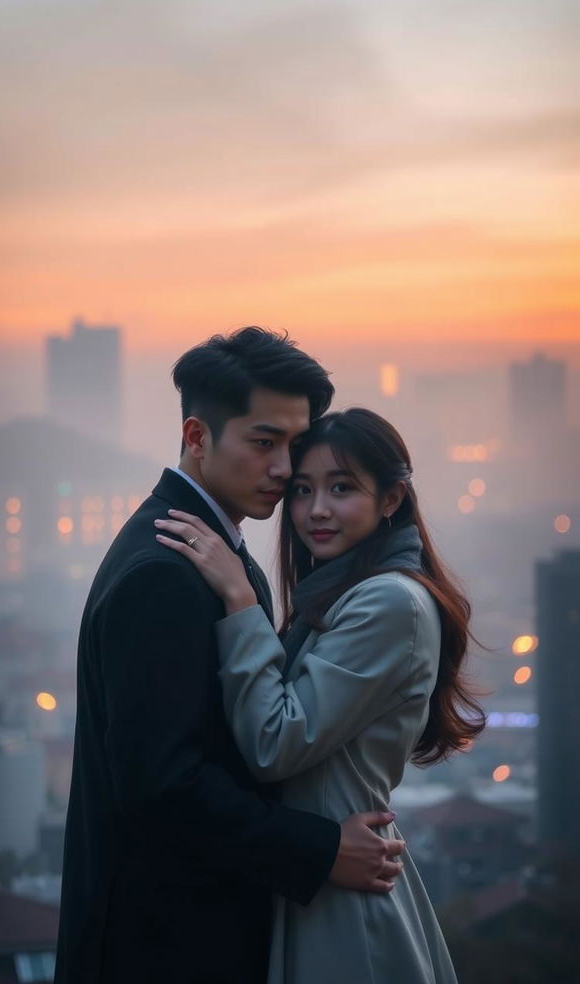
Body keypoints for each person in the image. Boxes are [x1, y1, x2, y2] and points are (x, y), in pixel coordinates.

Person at [55, 331, 406, 984]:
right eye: (263, 442)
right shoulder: (164, 568)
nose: (284, 469)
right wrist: (323, 850)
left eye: (294, 447)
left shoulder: (216, 553)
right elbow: (163, 785)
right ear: (196, 436)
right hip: (161, 949)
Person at [156, 407, 486, 984]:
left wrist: (239, 600)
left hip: (343, 896)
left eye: (342, 488)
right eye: (302, 490)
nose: (317, 510)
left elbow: (276, 742)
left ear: (391, 499)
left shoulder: (389, 602)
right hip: (322, 873)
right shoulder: (344, 594)